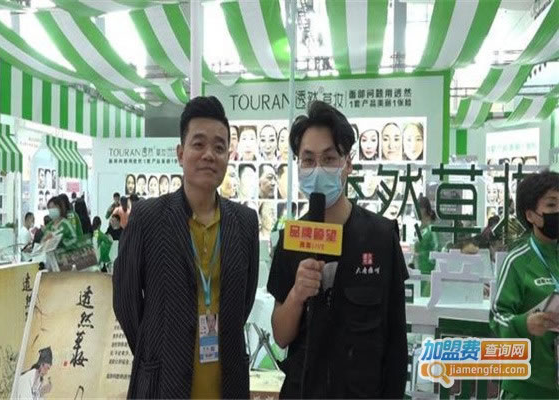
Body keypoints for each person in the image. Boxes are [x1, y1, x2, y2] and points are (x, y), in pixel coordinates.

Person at [113, 96, 259, 399]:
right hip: (162, 384)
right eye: (198, 144)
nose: (209, 155)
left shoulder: (244, 222)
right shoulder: (148, 218)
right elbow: (126, 301)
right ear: (180, 153)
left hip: (227, 384)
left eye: (219, 147)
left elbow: (243, 303)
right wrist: (155, 349)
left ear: (228, 156)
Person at [268, 101, 408, 398]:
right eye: (308, 160)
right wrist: (297, 294)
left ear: (348, 164)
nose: (318, 169)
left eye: (329, 158)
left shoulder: (381, 237)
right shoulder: (291, 238)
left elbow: (396, 341)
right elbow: (280, 336)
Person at [490, 170, 559, 399]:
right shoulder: (518, 261)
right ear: (531, 215)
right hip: (526, 388)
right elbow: (497, 318)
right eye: (552, 204)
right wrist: (524, 324)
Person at [410, 195, 439, 296]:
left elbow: (437, 251)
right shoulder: (421, 229)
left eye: (416, 208)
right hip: (419, 272)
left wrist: (421, 255)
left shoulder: (432, 229)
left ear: (423, 210)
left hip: (428, 274)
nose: (414, 211)